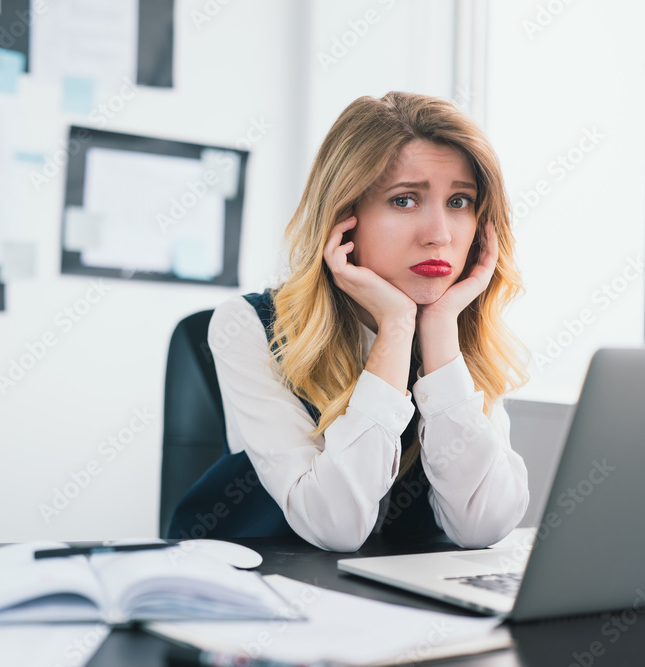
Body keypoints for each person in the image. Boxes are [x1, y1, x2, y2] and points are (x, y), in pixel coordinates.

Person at [167, 91, 530, 552]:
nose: (439, 234)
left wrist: (438, 331)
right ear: (344, 217)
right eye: (404, 201)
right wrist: (396, 327)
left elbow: (483, 526)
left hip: (400, 607)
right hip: (255, 593)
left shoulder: (464, 333)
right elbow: (335, 527)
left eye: (460, 201)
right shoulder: (248, 326)